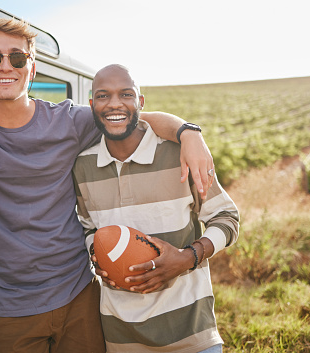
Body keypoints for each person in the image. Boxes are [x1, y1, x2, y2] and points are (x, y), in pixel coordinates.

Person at [0, 18, 215, 353]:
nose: (6, 66)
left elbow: (134, 118)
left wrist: (189, 132)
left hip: (79, 296)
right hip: (10, 308)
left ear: (31, 69)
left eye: (17, 58)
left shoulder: (68, 120)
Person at [72, 64, 240, 353]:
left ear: (140, 102)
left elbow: (227, 218)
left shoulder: (180, 154)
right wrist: (97, 253)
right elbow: (88, 227)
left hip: (192, 336)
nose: (114, 103)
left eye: (126, 94)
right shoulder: (83, 165)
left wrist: (188, 257)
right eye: (103, 96)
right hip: (120, 338)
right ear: (92, 105)